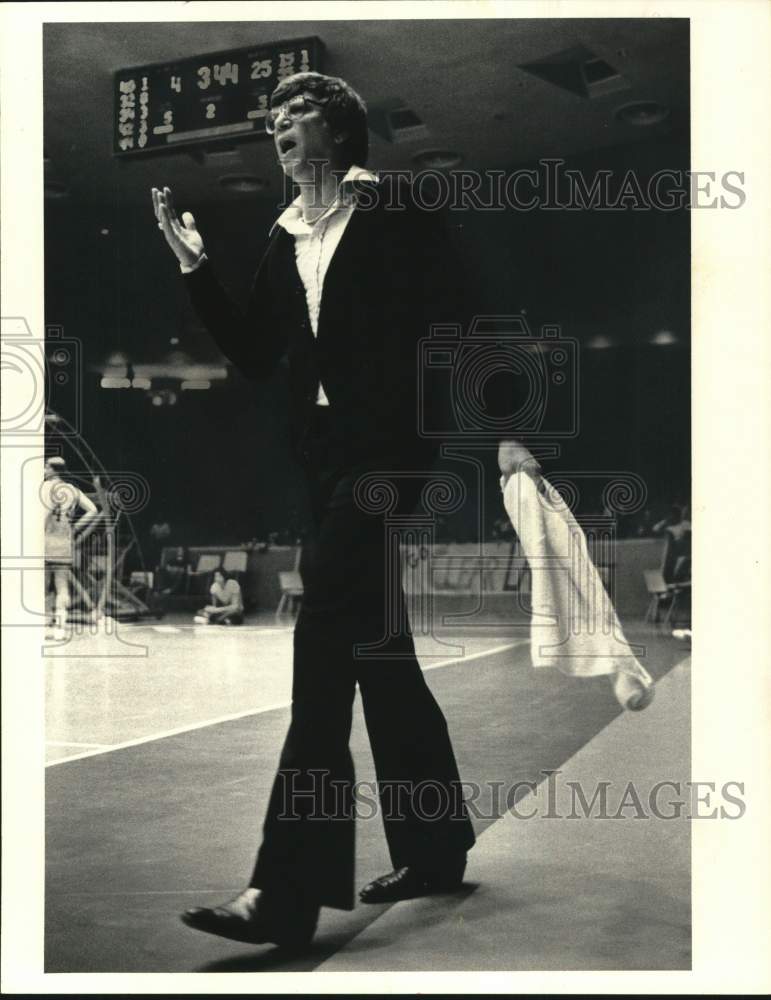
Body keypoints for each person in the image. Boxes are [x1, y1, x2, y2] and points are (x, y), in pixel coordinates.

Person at [151, 72, 475, 952]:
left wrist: (508, 439)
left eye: (294, 122)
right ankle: (437, 843)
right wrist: (195, 269)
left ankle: (287, 890)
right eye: (274, 128)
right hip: (326, 465)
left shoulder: (400, 214)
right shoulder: (283, 236)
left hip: (390, 458)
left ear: (337, 134)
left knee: (323, 642)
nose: (279, 137)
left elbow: (462, 324)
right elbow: (257, 354)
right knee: (378, 651)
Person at [42, 457, 99, 639]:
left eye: (45, 466)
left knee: (42, 586)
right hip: (64, 542)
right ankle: (60, 627)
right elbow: (93, 510)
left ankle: (42, 624)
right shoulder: (73, 490)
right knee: (62, 587)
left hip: (44, 541)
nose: (43, 470)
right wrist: (75, 527)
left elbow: (44, 513)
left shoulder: (45, 488)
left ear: (52, 469)